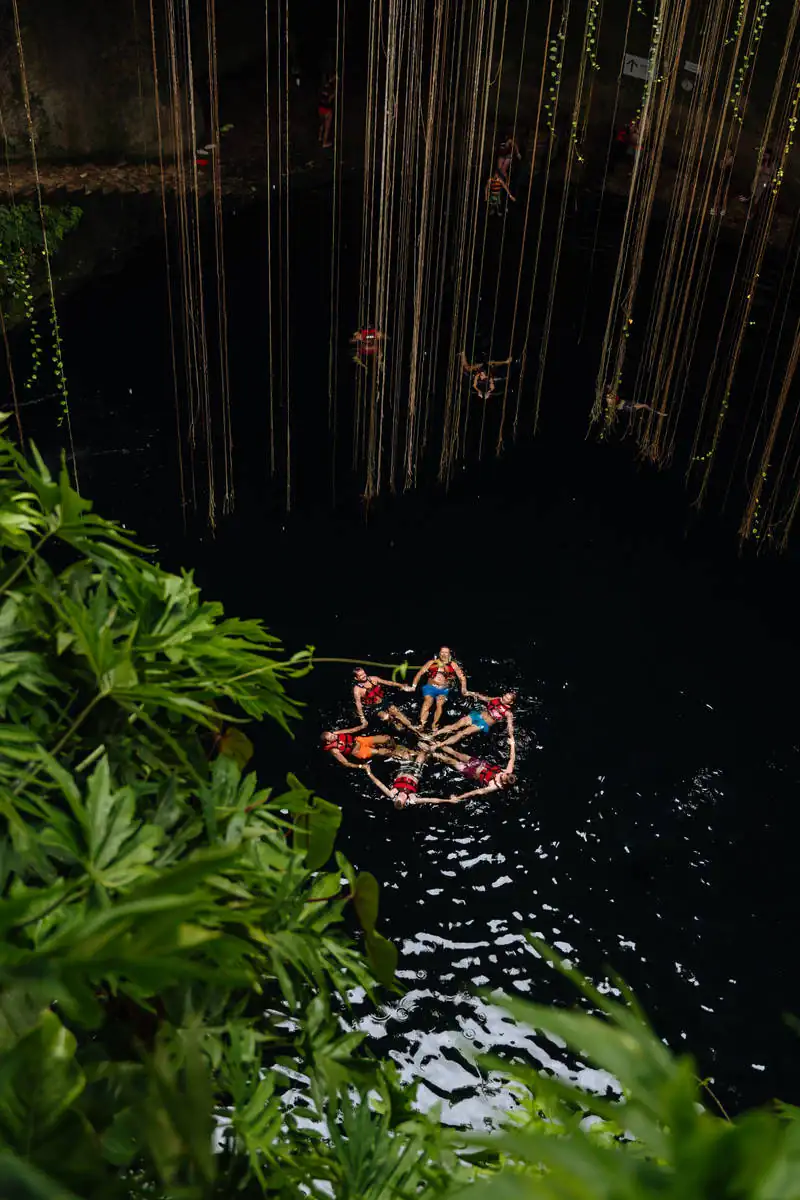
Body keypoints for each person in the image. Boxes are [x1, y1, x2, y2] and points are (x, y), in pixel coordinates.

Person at [432, 733, 517, 799]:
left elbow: (476, 792)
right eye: (506, 773)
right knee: (457, 754)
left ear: (504, 782)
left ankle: (433, 753)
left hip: (470, 771)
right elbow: (512, 758)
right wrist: (512, 744)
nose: (503, 773)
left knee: (451, 761)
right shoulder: (508, 771)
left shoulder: (493, 786)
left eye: (504, 776)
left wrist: (458, 797)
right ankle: (435, 742)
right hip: (477, 763)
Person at [426, 691, 516, 749]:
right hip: (477, 715)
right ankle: (433, 734)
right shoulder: (497, 699)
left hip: (483, 724)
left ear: (511, 702)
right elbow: (485, 699)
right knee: (455, 726)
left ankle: (439, 745)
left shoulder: (508, 713)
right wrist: (472, 693)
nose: (504, 698)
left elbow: (510, 726)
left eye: (507, 698)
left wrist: (511, 738)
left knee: (462, 733)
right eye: (505, 695)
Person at [411, 646, 468, 731]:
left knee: (439, 704)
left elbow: (462, 677)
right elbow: (420, 673)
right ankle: (421, 724)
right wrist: (413, 686)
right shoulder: (431, 662)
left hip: (443, 689)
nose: (444, 654)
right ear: (439, 653)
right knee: (428, 702)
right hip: (430, 687)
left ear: (449, 654)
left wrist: (464, 689)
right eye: (442, 652)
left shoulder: (453, 665)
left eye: (446, 652)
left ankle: (434, 725)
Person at [365, 750, 436, 808]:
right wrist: (447, 801)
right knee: (422, 753)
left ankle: (411, 756)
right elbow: (431, 800)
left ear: (395, 799)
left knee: (405, 753)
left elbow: (379, 784)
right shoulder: (413, 799)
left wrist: (369, 773)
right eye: (403, 797)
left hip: (403, 771)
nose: (401, 794)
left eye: (399, 796)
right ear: (405, 802)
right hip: (415, 773)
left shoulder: (392, 794)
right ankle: (429, 755)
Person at [320, 729, 400, 768]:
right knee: (383, 751)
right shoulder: (334, 750)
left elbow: (351, 730)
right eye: (331, 737)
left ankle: (396, 748)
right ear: (328, 742)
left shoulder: (336, 733)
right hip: (358, 751)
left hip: (359, 741)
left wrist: (362, 726)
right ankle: (399, 755)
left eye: (332, 733)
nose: (333, 735)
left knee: (387, 738)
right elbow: (345, 763)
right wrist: (360, 766)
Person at [318, 74, 336, 149]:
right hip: (327, 110)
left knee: (322, 124)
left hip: (320, 109)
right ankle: (324, 142)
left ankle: (320, 137)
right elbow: (329, 100)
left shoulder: (322, 88)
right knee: (327, 127)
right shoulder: (330, 89)